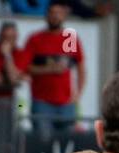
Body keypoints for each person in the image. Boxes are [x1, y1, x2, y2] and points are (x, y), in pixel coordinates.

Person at [21, 2, 84, 136]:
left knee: (67, 143)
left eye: (58, 13)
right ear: (46, 15)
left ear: (64, 15)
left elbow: (79, 67)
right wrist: (49, 69)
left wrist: (78, 93)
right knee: (43, 141)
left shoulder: (69, 37)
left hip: (66, 103)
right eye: (52, 13)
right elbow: (25, 68)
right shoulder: (35, 39)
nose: (55, 16)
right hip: (42, 102)